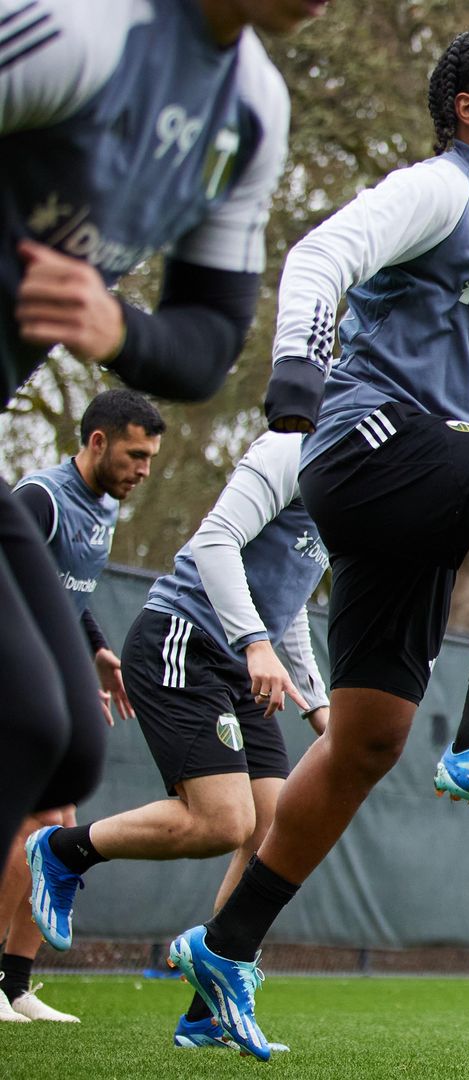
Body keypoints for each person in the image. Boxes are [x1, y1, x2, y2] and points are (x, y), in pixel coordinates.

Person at [167, 28, 469, 1060]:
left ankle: (223, 957)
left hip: (420, 493)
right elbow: (318, 253)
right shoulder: (438, 190)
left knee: (365, 741)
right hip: (374, 440)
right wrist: (296, 366)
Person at [0, 0, 321, 852]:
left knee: (62, 738)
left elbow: (209, 339)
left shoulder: (254, 107)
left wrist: (120, 331)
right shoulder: (78, 30)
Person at [25, 431, 329, 1052]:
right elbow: (215, 543)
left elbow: (289, 602)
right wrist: (254, 643)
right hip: (183, 639)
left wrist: (319, 702)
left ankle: (205, 1011)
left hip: (248, 661)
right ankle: (61, 850)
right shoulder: (291, 451)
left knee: (271, 835)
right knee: (222, 823)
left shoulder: (348, 490)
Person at [0, 389, 163, 1024]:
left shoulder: (103, 506)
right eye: (135, 454)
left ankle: (15, 985)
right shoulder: (39, 498)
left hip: (50, 682)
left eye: (150, 457)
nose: (143, 469)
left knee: (57, 831)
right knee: (34, 824)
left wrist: (94, 651)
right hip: (17, 683)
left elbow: (68, 592)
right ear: (98, 443)